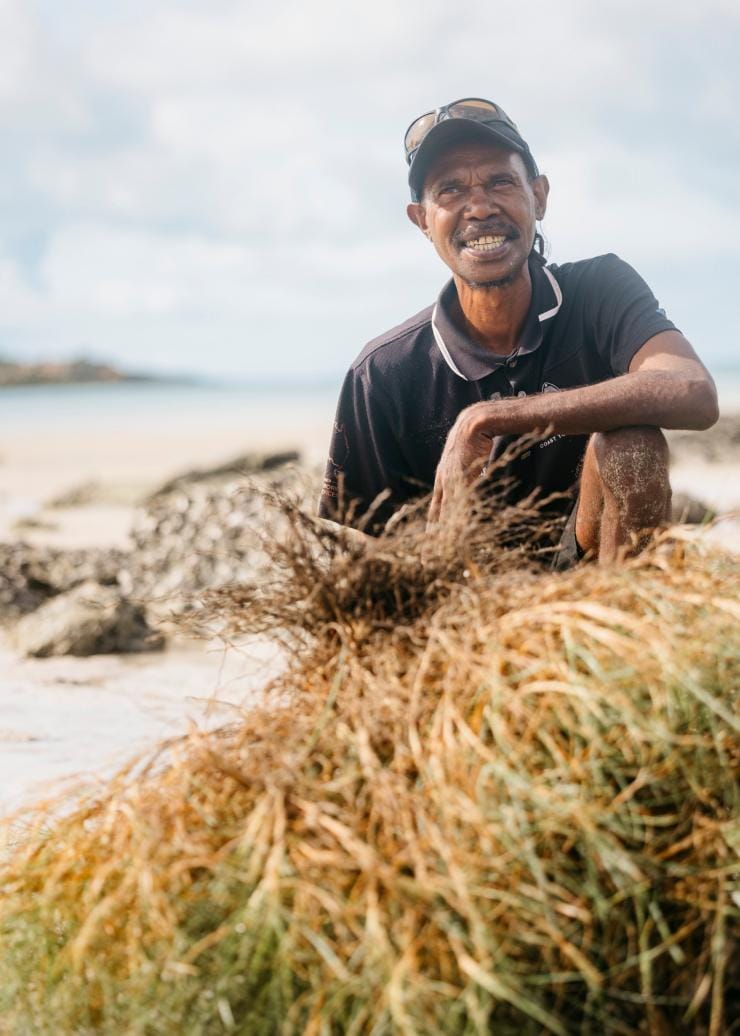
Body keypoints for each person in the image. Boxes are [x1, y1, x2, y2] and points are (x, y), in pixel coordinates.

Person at [319, 98, 719, 564]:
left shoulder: (599, 290)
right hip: (468, 601)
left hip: (596, 574)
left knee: (632, 444)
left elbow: (691, 390)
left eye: (500, 182)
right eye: (450, 190)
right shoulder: (383, 373)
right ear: (422, 220)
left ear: (539, 196)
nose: (480, 207)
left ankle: (623, 622)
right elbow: (371, 554)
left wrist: (490, 417)